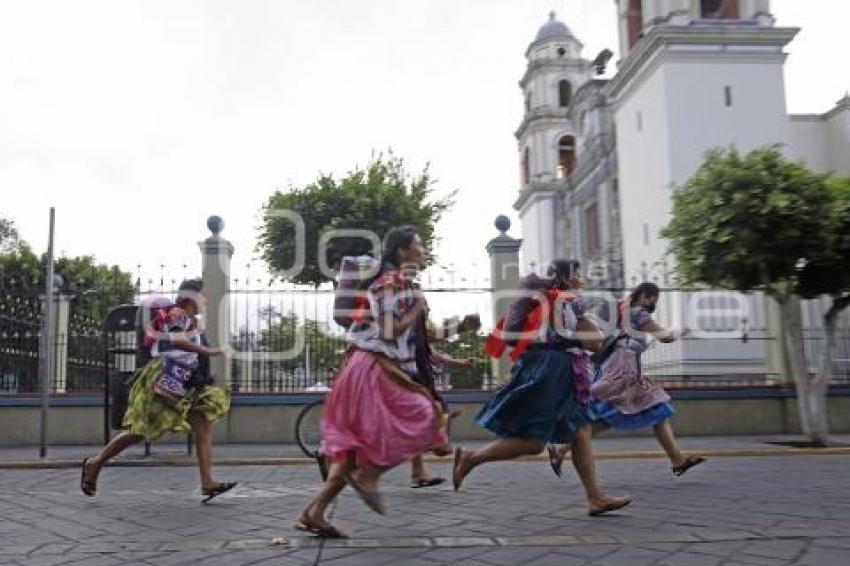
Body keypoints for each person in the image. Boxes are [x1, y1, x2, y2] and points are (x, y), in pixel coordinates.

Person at [297, 226, 450, 538]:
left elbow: (416, 335)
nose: (423, 250)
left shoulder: (402, 285)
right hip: (371, 367)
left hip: (369, 365)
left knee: (355, 450)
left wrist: (458, 327)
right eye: (418, 245)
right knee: (424, 414)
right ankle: (369, 478)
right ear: (402, 252)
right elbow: (389, 332)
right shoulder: (388, 284)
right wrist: (419, 306)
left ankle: (314, 512)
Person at [452, 260, 631, 516]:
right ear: (566, 278)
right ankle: (471, 458)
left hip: (560, 369)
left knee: (580, 430)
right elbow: (579, 338)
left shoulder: (557, 299)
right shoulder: (561, 299)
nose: (582, 279)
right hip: (551, 371)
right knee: (535, 443)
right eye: (578, 274)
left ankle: (595, 497)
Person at [80, 279, 235, 503]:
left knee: (203, 426)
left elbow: (191, 356)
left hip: (186, 382)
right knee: (140, 429)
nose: (206, 300)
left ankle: (207, 482)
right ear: (191, 297)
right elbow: (178, 341)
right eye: (203, 295)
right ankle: (95, 463)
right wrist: (211, 351)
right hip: (166, 379)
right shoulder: (177, 314)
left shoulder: (191, 320)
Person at [586, 282, 705, 476]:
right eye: (653, 299)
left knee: (657, 408)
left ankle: (678, 460)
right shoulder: (638, 313)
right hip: (623, 371)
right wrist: (682, 331)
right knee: (614, 414)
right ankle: (563, 447)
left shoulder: (622, 312)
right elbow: (664, 337)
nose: (653, 304)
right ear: (644, 296)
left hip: (624, 368)